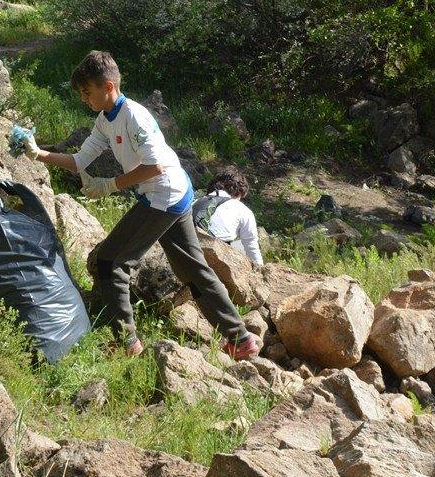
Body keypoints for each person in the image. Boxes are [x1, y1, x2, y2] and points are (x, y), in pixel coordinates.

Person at [23, 50, 260, 360]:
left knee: (111, 263)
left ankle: (127, 344)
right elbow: (80, 160)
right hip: (173, 193)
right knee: (191, 267)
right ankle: (240, 339)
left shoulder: (134, 116)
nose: (84, 99)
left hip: (165, 195)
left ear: (108, 87)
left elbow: (154, 167)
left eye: (87, 92)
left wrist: (109, 186)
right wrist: (37, 153)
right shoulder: (105, 120)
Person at [192, 166, 263, 266]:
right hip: (213, 256)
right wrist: (261, 272)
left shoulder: (199, 200)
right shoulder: (242, 210)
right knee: (239, 245)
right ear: (240, 192)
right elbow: (251, 248)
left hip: (188, 249)